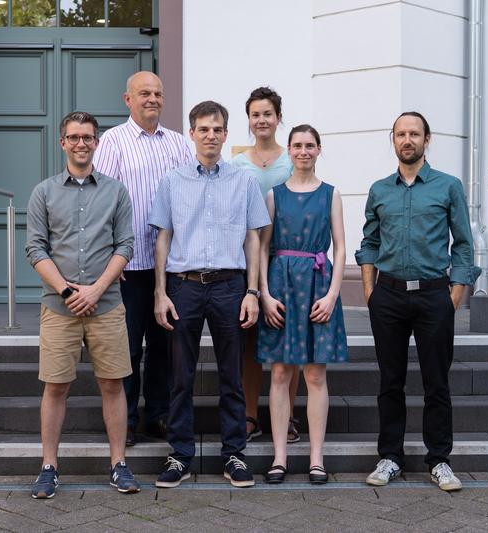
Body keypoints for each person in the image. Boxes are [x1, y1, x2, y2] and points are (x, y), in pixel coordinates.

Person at [355, 111, 481, 492]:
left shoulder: (447, 187)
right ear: (392, 139)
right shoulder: (380, 190)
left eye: (414, 134)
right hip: (388, 296)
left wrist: (454, 295)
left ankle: (439, 460)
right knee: (390, 382)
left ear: (428, 140)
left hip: (433, 296)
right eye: (400, 134)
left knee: (436, 383)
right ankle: (390, 457)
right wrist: (369, 290)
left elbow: (463, 245)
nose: (407, 140)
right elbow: (370, 242)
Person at [149, 101, 271, 488]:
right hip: (183, 286)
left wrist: (252, 291)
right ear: (191, 134)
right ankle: (180, 455)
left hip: (230, 286)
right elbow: (162, 238)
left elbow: (253, 238)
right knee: (181, 376)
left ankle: (234, 455)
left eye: (217, 129)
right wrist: (159, 292)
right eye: (203, 129)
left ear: (225, 133)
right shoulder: (172, 181)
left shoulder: (243, 180)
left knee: (231, 375)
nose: (210, 136)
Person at [25, 111, 140, 498]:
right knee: (56, 386)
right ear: (62, 142)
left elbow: (125, 245)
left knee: (112, 384)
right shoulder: (43, 192)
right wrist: (67, 291)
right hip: (60, 309)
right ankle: (48, 467)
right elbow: (35, 248)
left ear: (96, 143)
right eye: (73, 137)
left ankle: (119, 464)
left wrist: (94, 289)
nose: (81, 143)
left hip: (106, 304)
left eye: (88, 137)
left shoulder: (116, 191)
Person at [93, 71, 193, 447]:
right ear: (128, 99)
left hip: (173, 265)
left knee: (166, 344)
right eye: (144, 93)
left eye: (158, 93)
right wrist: (106, 258)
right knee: (130, 344)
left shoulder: (180, 144)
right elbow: (101, 201)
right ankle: (128, 419)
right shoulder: (114, 142)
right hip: (129, 266)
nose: (152, 99)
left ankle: (160, 414)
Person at [258, 124, 347, 485]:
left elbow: (340, 247)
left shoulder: (331, 193)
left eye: (310, 145)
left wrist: (332, 295)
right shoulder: (274, 195)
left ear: (319, 149)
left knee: (315, 374)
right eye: (297, 145)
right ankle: (279, 457)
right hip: (281, 285)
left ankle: (315, 458)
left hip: (317, 284)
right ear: (289, 150)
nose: (303, 151)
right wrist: (264, 293)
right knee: (280, 373)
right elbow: (262, 247)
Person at [231, 87, 303, 445]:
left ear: (278, 118)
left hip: (286, 259)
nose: (262, 120)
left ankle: (286, 417)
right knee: (248, 342)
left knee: (285, 342)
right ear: (249, 120)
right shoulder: (236, 164)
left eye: (268, 114)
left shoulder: (292, 160)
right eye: (255, 114)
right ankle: (248, 414)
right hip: (246, 260)